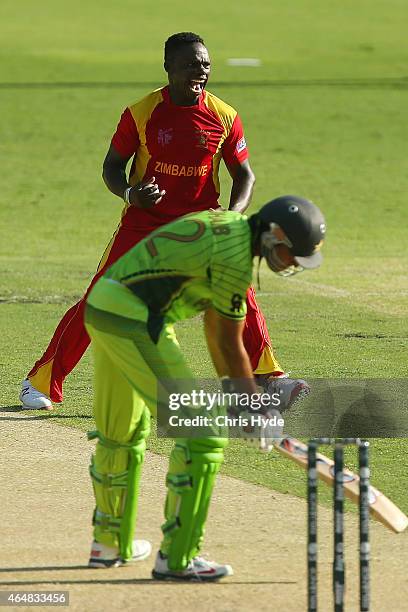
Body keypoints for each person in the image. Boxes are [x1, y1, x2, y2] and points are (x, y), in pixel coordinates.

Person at [20, 32, 308, 411]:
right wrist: (129, 193)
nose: (200, 71)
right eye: (190, 64)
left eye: (205, 64)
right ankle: (40, 382)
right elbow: (111, 167)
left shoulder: (224, 115)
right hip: (144, 224)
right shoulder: (140, 112)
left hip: (201, 226)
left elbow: (245, 176)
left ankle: (272, 379)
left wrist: (231, 216)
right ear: (168, 67)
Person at [84, 195, 326, 579]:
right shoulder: (234, 261)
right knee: (205, 433)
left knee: (121, 432)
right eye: (293, 253)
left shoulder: (228, 226)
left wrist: (245, 402)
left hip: (103, 307)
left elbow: (216, 331)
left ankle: (109, 544)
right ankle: (178, 560)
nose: (294, 262)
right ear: (274, 235)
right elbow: (230, 343)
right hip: (136, 321)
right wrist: (256, 407)